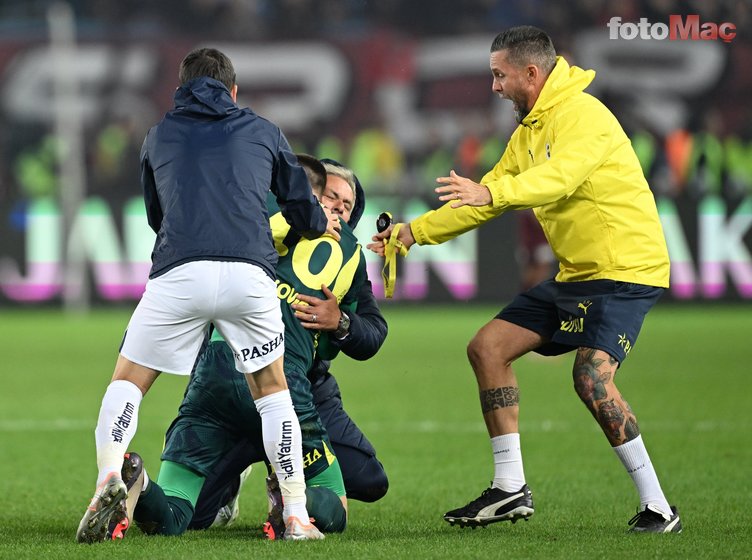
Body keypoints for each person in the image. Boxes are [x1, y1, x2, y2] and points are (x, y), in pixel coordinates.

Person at [369, 26, 681, 534]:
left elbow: (559, 179)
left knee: (591, 377)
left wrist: (490, 195)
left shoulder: (584, 116)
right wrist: (410, 233)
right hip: (577, 274)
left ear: (531, 74)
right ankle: (510, 488)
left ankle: (658, 507)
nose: (494, 87)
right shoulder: (530, 131)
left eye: (499, 75)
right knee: (488, 348)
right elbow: (483, 198)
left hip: (624, 271)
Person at [76, 48, 339, 544]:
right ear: (233, 91)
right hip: (249, 274)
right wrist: (312, 225)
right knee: (272, 389)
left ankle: (110, 474)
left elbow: (158, 217)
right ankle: (298, 515)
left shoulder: (158, 135)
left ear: (180, 87)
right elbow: (304, 212)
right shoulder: (264, 131)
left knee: (129, 379)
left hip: (181, 271)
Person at [122, 157, 382, 540]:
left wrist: (341, 321)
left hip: (218, 373)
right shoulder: (350, 253)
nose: (337, 209)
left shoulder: (250, 215)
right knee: (335, 504)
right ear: (308, 192)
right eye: (330, 197)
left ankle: (138, 483)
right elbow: (338, 344)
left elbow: (372, 331)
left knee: (180, 513)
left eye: (346, 205)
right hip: (283, 379)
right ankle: (291, 500)